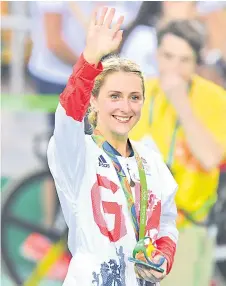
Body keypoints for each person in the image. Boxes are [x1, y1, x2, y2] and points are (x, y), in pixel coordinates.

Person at [47, 7, 178, 286]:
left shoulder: (151, 159)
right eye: (114, 96)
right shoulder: (77, 153)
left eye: (134, 97)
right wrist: (90, 59)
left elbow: (166, 221)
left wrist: (163, 257)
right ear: (92, 101)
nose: (125, 107)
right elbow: (67, 115)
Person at [130, 20, 226, 286]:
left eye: (185, 60)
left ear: (197, 63)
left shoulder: (214, 99)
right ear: (156, 55)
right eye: (168, 56)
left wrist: (180, 102)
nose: (174, 68)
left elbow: (211, 158)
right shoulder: (137, 91)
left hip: (184, 230)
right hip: (131, 230)